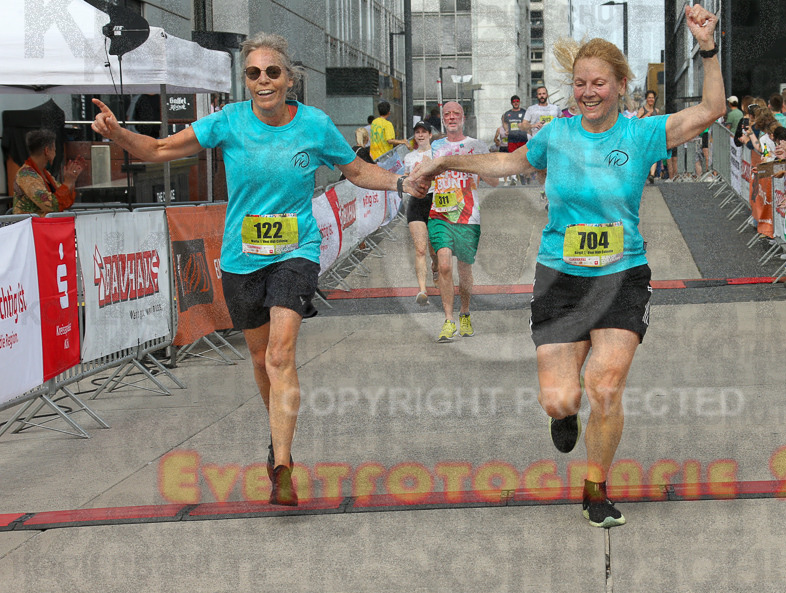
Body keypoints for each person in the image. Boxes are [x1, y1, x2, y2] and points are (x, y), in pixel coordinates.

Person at [413, 3, 725, 528]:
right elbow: (509, 163)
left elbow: (712, 108)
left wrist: (708, 46)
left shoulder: (641, 135)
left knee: (605, 385)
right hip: (560, 277)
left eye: (599, 83)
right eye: (580, 84)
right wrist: (446, 160)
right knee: (560, 399)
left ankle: (595, 487)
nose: (588, 92)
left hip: (622, 274)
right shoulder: (556, 136)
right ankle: (563, 415)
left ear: (620, 85)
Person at [90, 33, 428, 506]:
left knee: (280, 354)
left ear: (289, 79)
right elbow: (160, 150)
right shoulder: (228, 121)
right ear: (246, 80)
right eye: (253, 73)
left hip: (296, 252)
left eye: (272, 72)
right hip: (241, 259)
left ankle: (283, 466)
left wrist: (400, 183)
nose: (263, 80)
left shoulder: (314, 124)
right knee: (258, 358)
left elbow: (355, 171)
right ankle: (277, 439)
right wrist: (118, 134)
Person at [427, 101, 499, 343]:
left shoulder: (477, 146)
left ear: (463, 118)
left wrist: (477, 166)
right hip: (440, 214)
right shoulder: (435, 146)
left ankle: (465, 312)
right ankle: (448, 320)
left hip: (468, 216)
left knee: (464, 270)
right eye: (447, 114)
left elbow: (494, 181)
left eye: (455, 113)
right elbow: (428, 176)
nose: (451, 117)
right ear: (443, 119)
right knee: (444, 265)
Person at [403, 121, 439, 305]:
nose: (420, 135)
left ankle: (436, 267)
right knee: (420, 249)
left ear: (430, 135)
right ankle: (422, 290)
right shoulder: (409, 157)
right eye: (417, 132)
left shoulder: (438, 153)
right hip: (416, 202)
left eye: (424, 132)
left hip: (434, 201)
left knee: (434, 249)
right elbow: (406, 179)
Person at [12, 129, 84, 215]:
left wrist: (72, 179)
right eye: (54, 150)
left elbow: (64, 202)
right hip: (30, 223)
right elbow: (51, 205)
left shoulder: (45, 173)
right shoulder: (26, 175)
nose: (55, 154)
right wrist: (68, 182)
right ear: (47, 151)